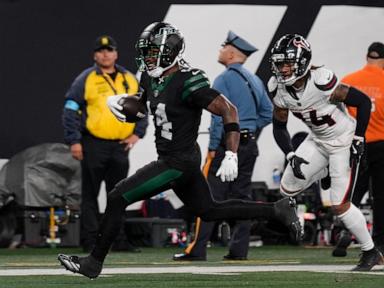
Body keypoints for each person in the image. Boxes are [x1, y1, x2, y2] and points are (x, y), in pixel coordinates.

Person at [57, 22, 301, 279]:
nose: (147, 58)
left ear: (170, 52)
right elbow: (144, 106)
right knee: (209, 210)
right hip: (176, 157)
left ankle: (93, 263)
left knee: (118, 196)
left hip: (178, 161)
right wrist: (127, 110)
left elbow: (229, 109)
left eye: (153, 53)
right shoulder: (150, 76)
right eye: (146, 52)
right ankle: (277, 209)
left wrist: (231, 152)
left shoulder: (188, 80)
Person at [269, 33, 383, 271]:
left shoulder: (321, 80)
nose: (283, 69)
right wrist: (290, 154)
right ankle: (324, 173)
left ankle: (370, 251)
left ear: (302, 61)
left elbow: (361, 102)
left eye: (288, 63)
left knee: (339, 205)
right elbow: (279, 127)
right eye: (280, 63)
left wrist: (359, 138)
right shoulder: (277, 88)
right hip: (317, 140)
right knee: (287, 187)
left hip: (342, 141)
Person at [173, 31, 272, 261]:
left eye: (222, 47)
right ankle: (239, 251)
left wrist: (213, 145)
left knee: (206, 197)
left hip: (225, 147)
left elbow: (219, 117)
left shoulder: (223, 79)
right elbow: (267, 113)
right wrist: (247, 130)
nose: (220, 51)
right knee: (242, 198)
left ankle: (197, 250)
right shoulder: (255, 79)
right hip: (249, 146)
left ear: (231, 52)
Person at [62, 35, 148, 252]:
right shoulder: (86, 78)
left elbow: (142, 107)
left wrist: (137, 133)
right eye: (101, 51)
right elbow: (70, 109)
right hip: (93, 145)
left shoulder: (128, 78)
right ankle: (90, 241)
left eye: (109, 50)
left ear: (116, 53)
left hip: (120, 146)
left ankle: (118, 240)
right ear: (95, 55)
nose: (105, 54)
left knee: (119, 194)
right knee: (90, 195)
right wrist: (74, 140)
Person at [332, 42, 384, 257]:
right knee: (381, 197)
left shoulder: (350, 80)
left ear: (366, 56)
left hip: (354, 144)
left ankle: (345, 229)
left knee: (352, 191)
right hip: (382, 144)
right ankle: (378, 243)